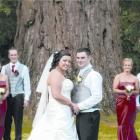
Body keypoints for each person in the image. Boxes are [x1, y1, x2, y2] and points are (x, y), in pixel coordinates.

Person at [28, 49, 79, 140]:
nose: (67, 63)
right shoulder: (55, 74)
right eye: (64, 60)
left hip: (64, 110)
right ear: (58, 60)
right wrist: (71, 104)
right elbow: (56, 95)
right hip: (58, 111)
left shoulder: (61, 74)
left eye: (69, 61)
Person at [72, 48, 103, 140]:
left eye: (82, 58)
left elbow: (97, 96)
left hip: (90, 115)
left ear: (89, 58)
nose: (79, 60)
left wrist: (79, 106)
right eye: (78, 58)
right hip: (81, 114)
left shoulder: (94, 75)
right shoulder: (81, 74)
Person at [1, 48, 31, 140]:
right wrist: (1, 97)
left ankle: (18, 138)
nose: (13, 56)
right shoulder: (4, 68)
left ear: (18, 55)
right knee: (7, 120)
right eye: (11, 55)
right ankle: (7, 138)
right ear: (9, 56)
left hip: (19, 96)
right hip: (7, 97)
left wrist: (26, 98)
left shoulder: (24, 68)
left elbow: (27, 84)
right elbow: (2, 83)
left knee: (18, 120)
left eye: (15, 55)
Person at [113, 58, 139, 140]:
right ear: (123, 66)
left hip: (131, 103)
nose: (127, 67)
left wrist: (131, 92)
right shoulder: (118, 76)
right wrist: (124, 91)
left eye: (129, 65)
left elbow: (138, 91)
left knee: (130, 123)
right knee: (122, 123)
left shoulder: (135, 78)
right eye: (126, 65)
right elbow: (114, 89)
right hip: (121, 103)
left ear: (131, 66)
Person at [0, 61, 9, 140]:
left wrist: (4, 97)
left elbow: (7, 91)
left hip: (2, 103)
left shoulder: (5, 77)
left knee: (1, 123)